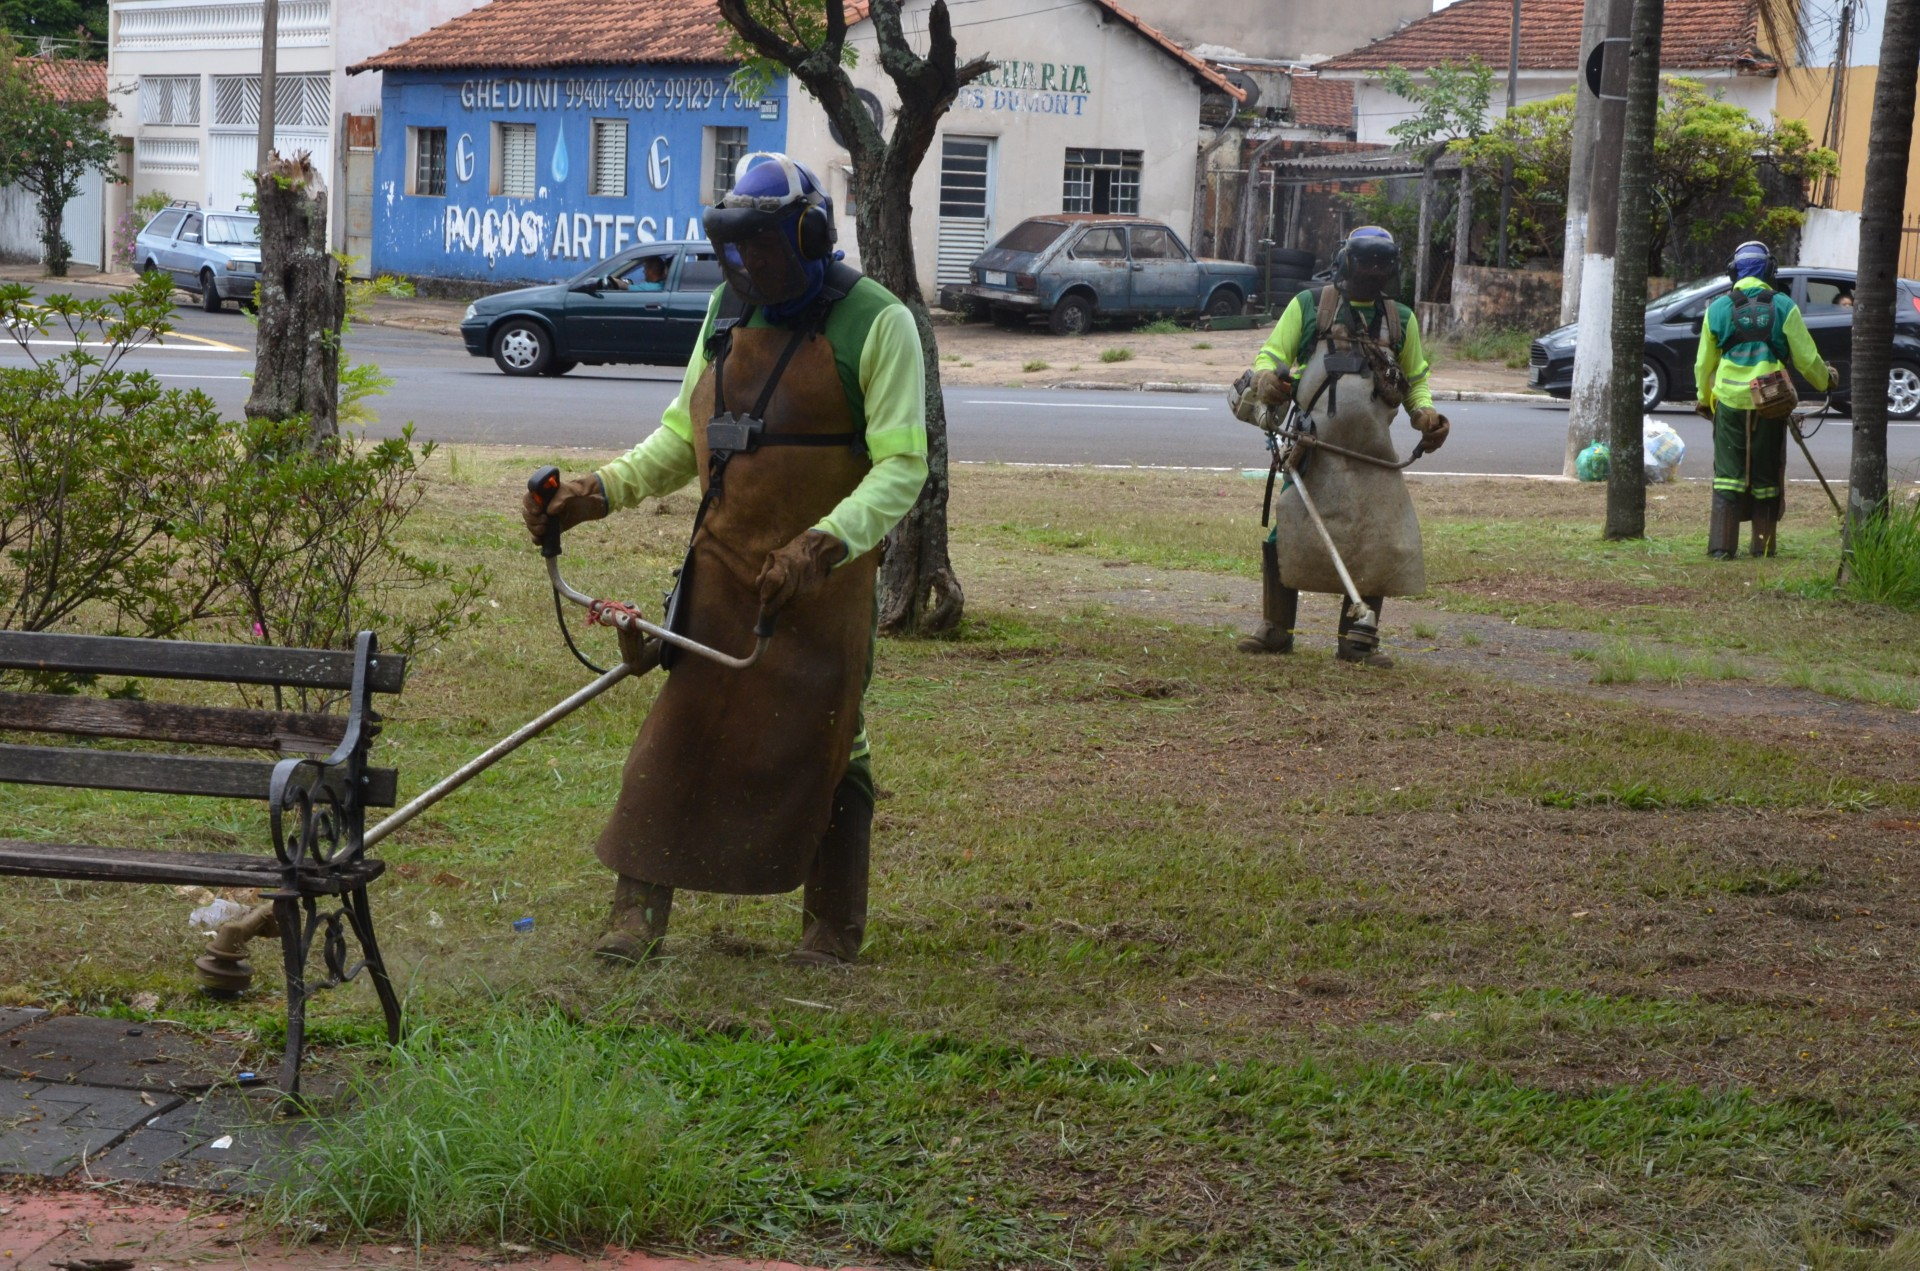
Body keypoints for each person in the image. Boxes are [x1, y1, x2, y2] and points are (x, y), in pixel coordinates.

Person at [520, 153, 929, 966]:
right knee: (680, 729)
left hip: (822, 580)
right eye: (738, 254)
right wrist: (598, 491)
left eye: (766, 251)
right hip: (723, 561)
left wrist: (823, 543)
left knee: (831, 738)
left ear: (811, 237)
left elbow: (902, 465)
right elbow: (685, 434)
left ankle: (831, 929)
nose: (751, 270)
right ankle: (635, 918)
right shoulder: (727, 311)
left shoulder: (879, 323)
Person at [1229, 225, 1449, 668]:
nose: (1370, 275)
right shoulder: (1310, 306)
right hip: (1313, 449)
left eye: (1378, 269)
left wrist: (1424, 414)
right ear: (1347, 261)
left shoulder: (1400, 319)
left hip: (1372, 455)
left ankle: (1357, 641)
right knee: (1286, 531)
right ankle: (1277, 629)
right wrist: (1269, 379)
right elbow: (1272, 355)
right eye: (1364, 266)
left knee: (1377, 541)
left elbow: (1415, 379)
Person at [1693, 240, 1835, 558]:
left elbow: (1703, 364)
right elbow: (1807, 358)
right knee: (1767, 475)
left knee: (1728, 475)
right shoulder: (1784, 306)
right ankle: (1763, 546)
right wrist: (1826, 380)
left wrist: (1705, 398)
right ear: (1770, 270)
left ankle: (1720, 549)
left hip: (1729, 403)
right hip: (1772, 404)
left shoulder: (1717, 309)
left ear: (1734, 272)